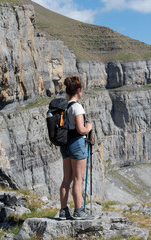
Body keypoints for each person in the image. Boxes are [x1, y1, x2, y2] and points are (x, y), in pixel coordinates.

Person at [59, 75, 94, 220]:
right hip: (77, 144)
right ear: (79, 90)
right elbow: (80, 129)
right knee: (78, 179)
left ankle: (63, 211)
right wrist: (89, 127)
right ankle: (78, 211)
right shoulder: (77, 107)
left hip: (65, 144)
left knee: (66, 179)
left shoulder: (63, 106)